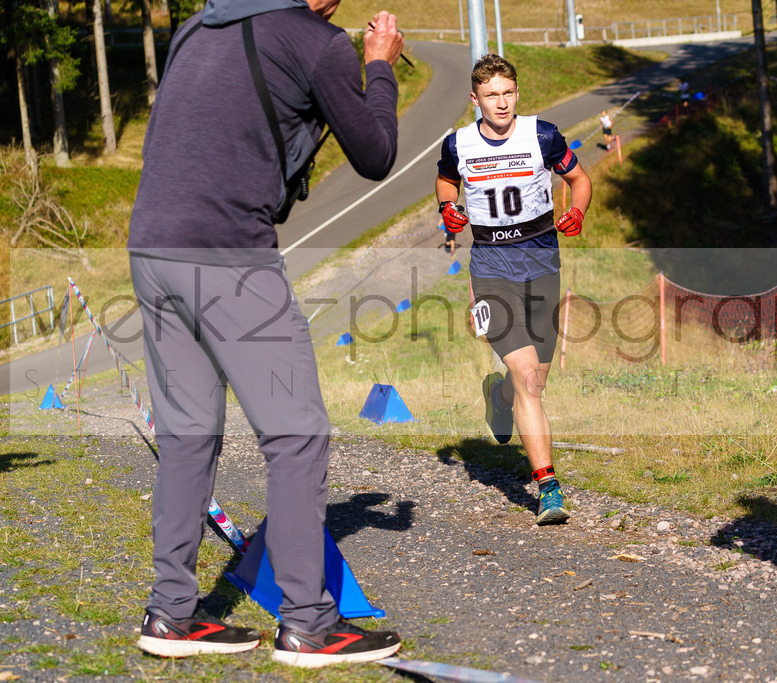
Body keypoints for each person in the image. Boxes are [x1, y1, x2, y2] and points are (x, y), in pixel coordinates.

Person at [126, 0, 404, 666]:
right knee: (297, 433)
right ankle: (309, 623)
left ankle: (170, 612)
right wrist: (379, 68)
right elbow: (376, 153)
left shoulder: (199, 25)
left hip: (151, 247)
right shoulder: (318, 42)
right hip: (227, 252)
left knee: (189, 433)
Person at [435, 54, 592, 526]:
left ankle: (497, 400)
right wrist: (449, 209)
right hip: (489, 270)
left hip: (542, 265)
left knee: (534, 382)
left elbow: (580, 180)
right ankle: (547, 487)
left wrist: (578, 211)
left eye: (507, 93)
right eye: (490, 95)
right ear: (475, 99)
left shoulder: (543, 135)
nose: (500, 103)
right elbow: (446, 181)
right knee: (527, 376)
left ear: (516, 93)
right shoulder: (458, 143)